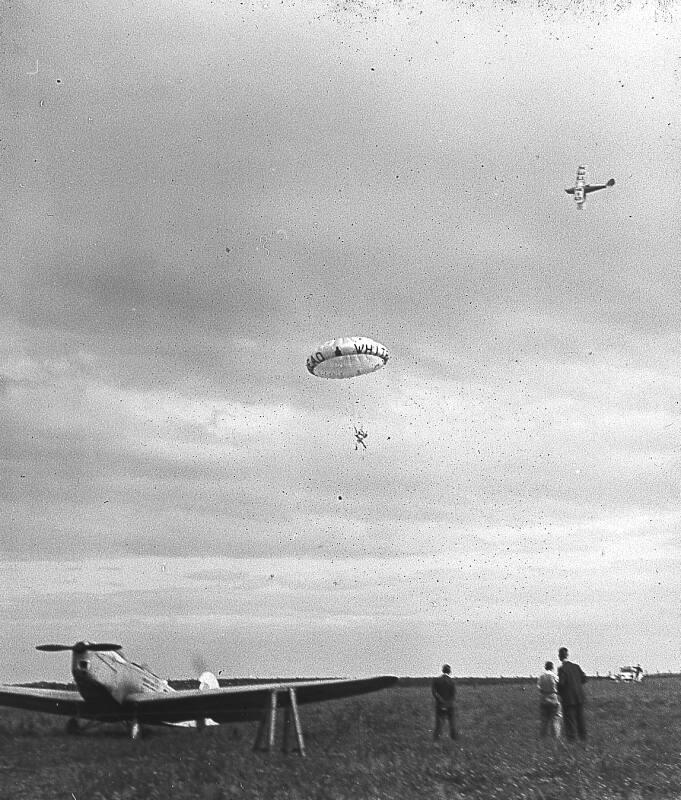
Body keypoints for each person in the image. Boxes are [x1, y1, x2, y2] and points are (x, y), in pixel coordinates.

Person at [557, 646, 587, 741]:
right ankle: (583, 738)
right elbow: (584, 679)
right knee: (580, 719)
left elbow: (561, 683)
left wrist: (559, 691)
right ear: (567, 655)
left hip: (568, 699)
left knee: (570, 720)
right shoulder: (576, 666)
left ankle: (571, 739)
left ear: (559, 656)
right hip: (579, 697)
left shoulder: (562, 669)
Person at [537, 661, 562, 739]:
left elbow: (539, 688)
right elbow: (559, 686)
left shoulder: (541, 676)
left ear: (545, 667)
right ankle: (555, 738)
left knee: (544, 720)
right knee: (555, 719)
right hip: (553, 698)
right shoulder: (554, 676)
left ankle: (542, 738)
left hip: (544, 698)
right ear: (552, 667)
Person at [432, 664, 457, 740]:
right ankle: (454, 739)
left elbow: (434, 692)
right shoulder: (452, 681)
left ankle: (436, 740)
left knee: (438, 724)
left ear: (442, 670)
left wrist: (440, 700)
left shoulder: (436, 680)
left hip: (439, 705)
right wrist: (447, 703)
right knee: (452, 723)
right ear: (449, 671)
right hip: (449, 706)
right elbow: (453, 695)